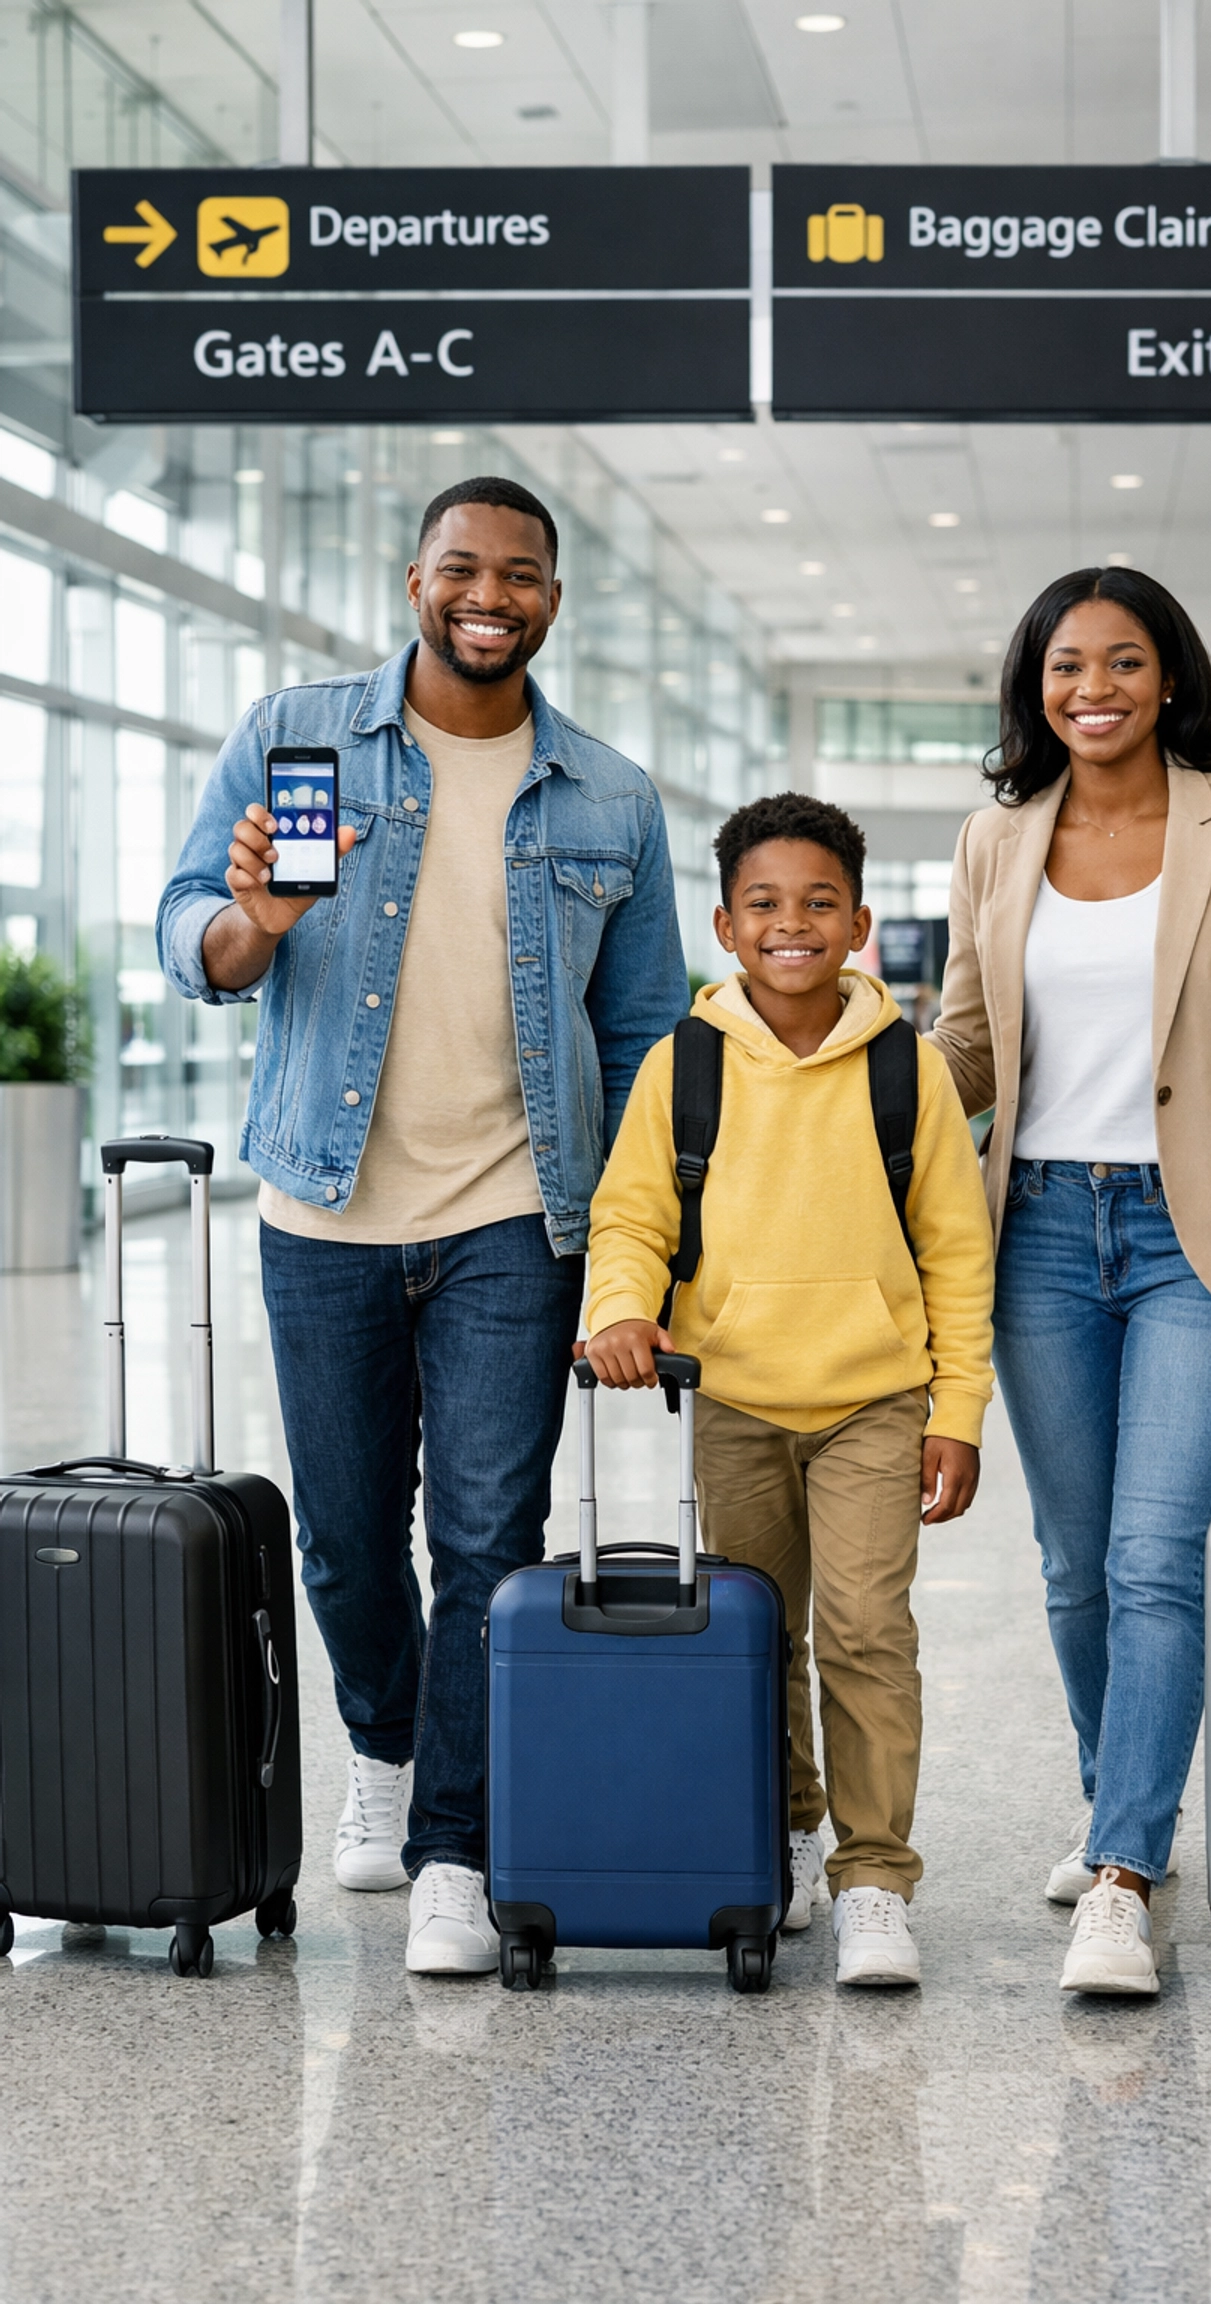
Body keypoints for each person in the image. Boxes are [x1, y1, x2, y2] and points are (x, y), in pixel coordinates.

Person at [158, 476, 688, 1976]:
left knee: (486, 1538)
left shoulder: (612, 798)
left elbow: (646, 1035)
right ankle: (384, 1747)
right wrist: (256, 925)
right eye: (463, 568)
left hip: (518, 1218)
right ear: (415, 584)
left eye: (519, 575)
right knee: (341, 1541)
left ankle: (456, 1842)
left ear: (552, 601)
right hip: (322, 1208)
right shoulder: (297, 735)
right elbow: (188, 927)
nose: (488, 596)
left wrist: (646, 1246)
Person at [930, 566, 1211, 1999]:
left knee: (1153, 1556)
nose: (1094, 689)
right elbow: (966, 1048)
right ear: (1035, 684)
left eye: (1122, 662)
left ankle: (1120, 1873)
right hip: (1039, 1231)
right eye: (1067, 665)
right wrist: (830, 1070)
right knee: (1073, 1566)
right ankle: (1119, 1797)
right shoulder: (996, 838)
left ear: (1170, 676)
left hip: (1207, 1231)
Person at [580, 793, 995, 1989]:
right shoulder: (684, 1063)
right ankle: (794, 1826)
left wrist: (958, 1413)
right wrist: (620, 1308)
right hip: (734, 1396)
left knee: (866, 1634)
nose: (792, 923)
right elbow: (632, 1215)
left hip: (876, 1399)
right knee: (757, 1638)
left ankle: (876, 1880)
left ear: (859, 924)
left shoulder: (911, 1070)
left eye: (819, 902)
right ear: (725, 926)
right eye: (763, 903)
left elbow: (957, 1256)